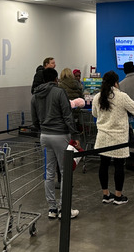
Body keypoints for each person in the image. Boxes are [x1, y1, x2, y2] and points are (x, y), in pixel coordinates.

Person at [30, 67, 80, 219]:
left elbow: (34, 119)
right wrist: (75, 134)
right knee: (65, 172)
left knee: (49, 172)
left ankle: (52, 208)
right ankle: (65, 208)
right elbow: (67, 115)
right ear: (55, 78)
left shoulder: (35, 95)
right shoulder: (59, 92)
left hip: (44, 136)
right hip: (60, 135)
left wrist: (42, 129)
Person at [92, 70, 134, 205]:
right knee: (119, 166)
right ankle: (119, 196)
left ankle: (106, 194)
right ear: (116, 82)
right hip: (118, 137)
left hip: (102, 136)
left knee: (104, 165)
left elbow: (95, 114)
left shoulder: (97, 97)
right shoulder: (121, 96)